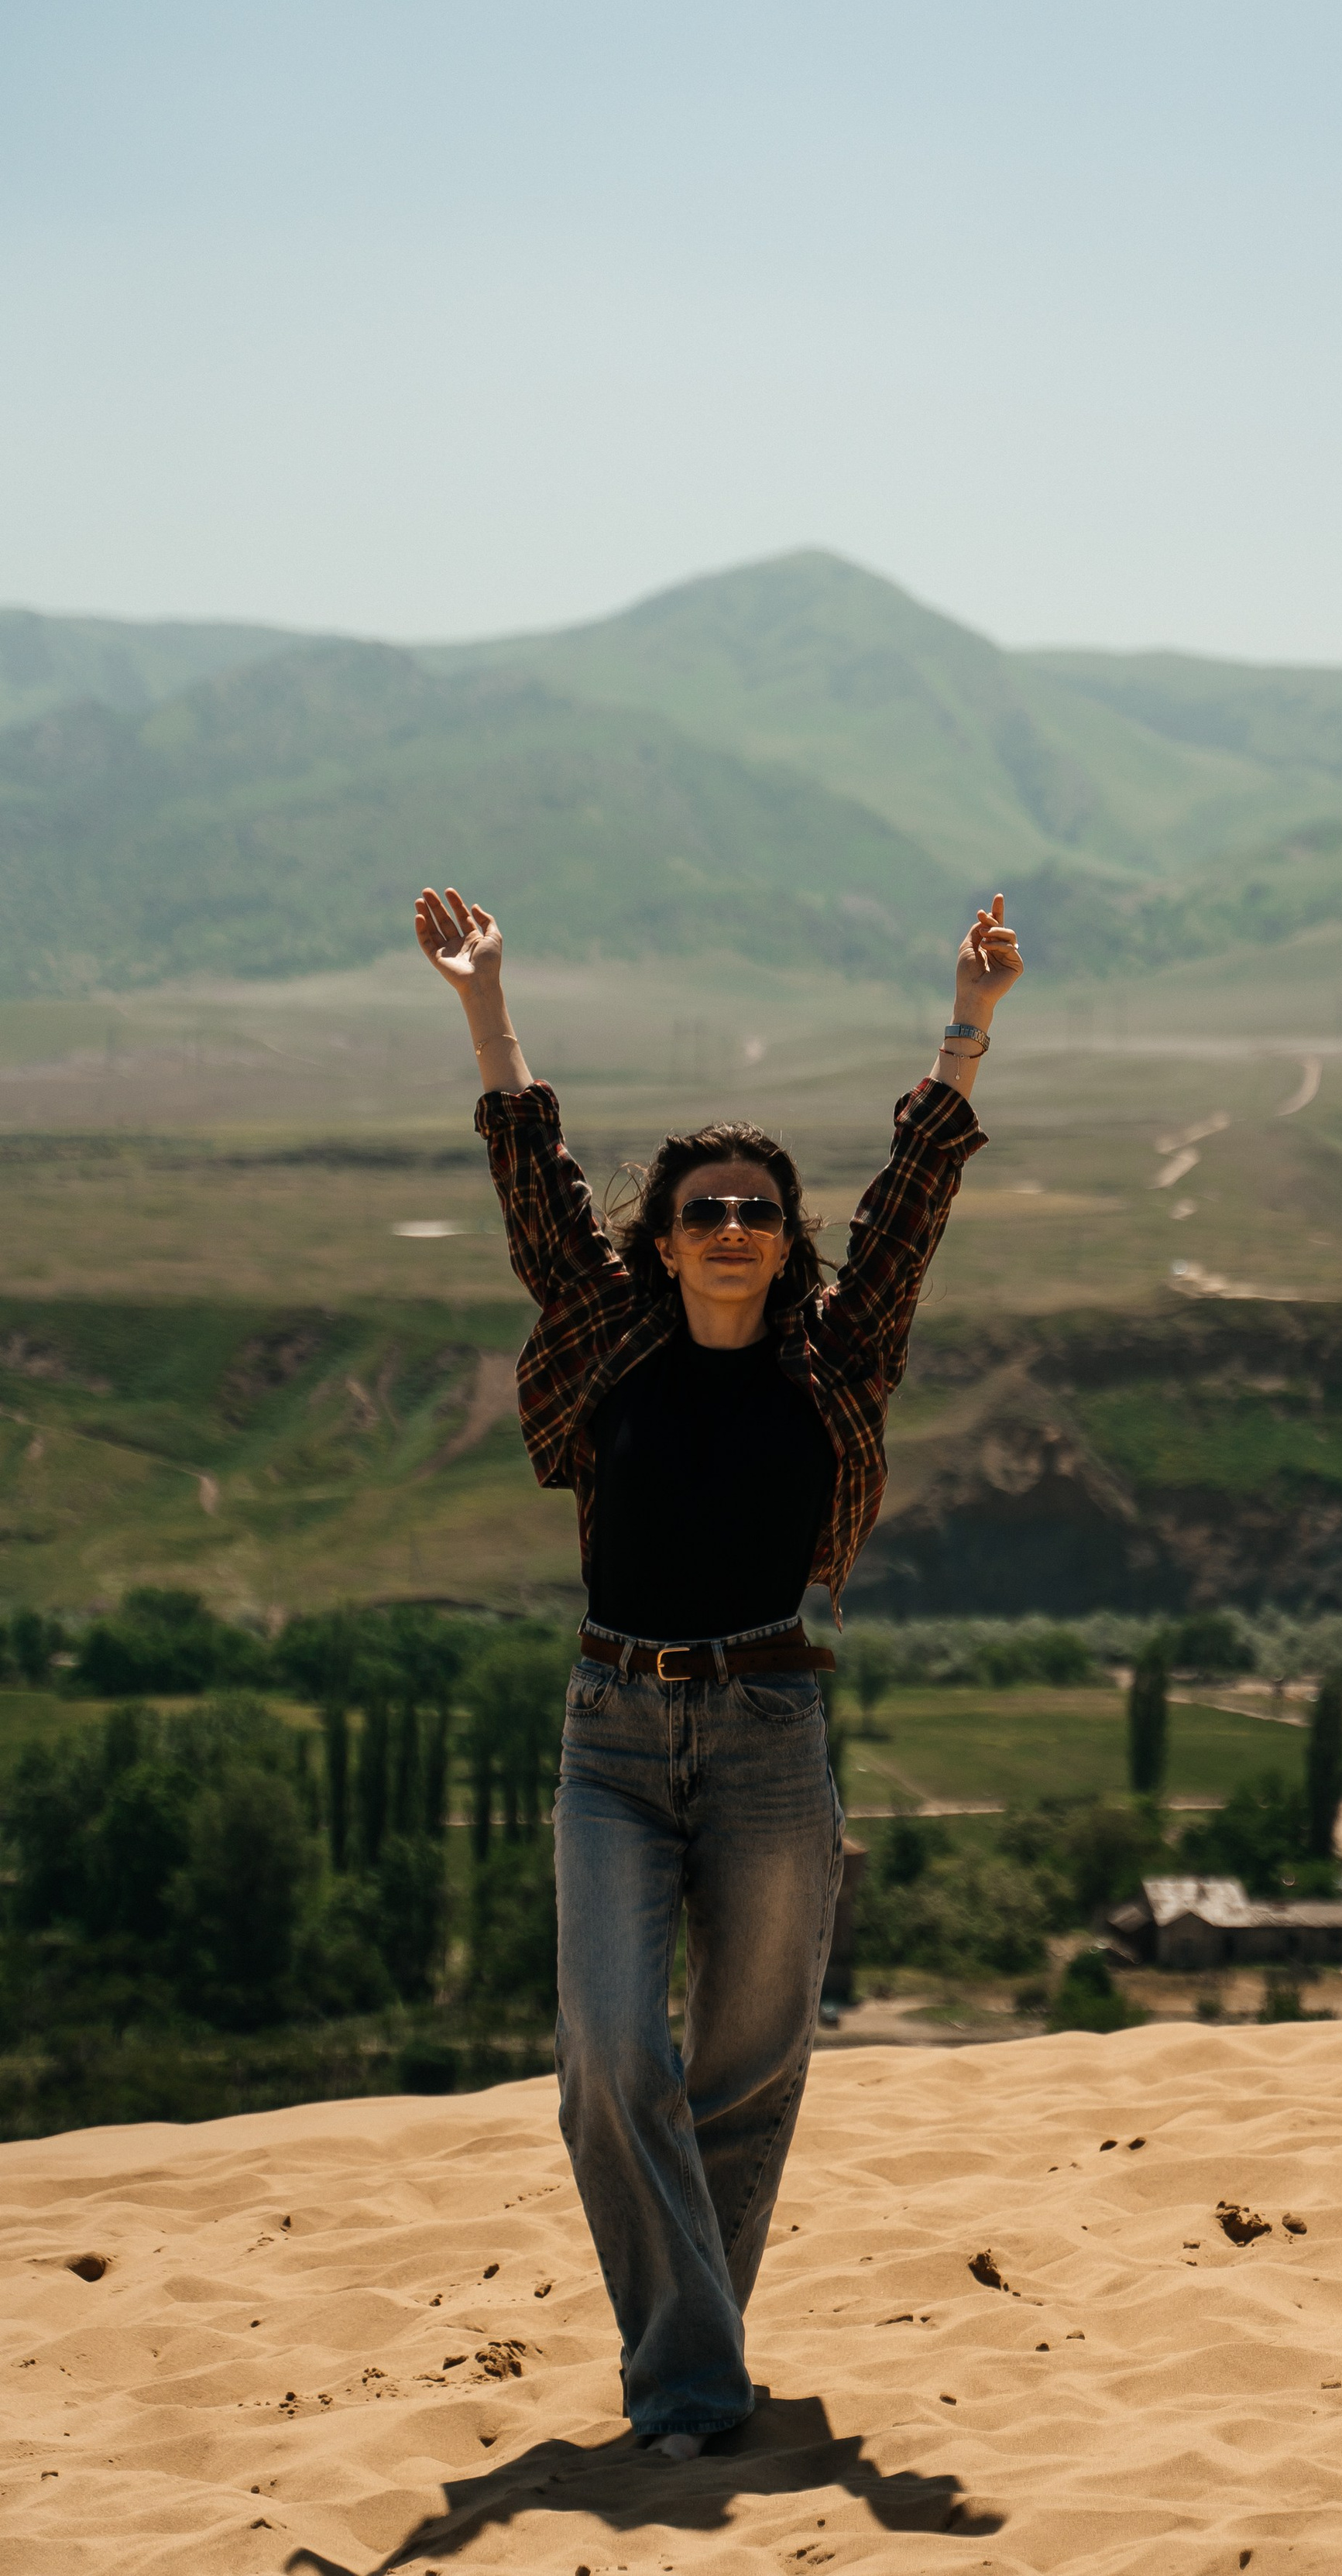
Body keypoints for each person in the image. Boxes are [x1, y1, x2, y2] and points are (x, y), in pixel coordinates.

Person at [412, 882, 1023, 2457]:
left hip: (770, 1733)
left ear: (785, 1239)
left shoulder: (839, 1349)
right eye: (705, 1209)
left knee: (746, 2076)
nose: (733, 1228)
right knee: (613, 2059)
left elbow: (913, 1199)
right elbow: (532, 1182)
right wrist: (487, 1005)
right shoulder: (608, 1334)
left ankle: (690, 2388)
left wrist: (967, 1025)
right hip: (610, 1731)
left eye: (758, 1208)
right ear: (664, 1238)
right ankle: (694, 2377)